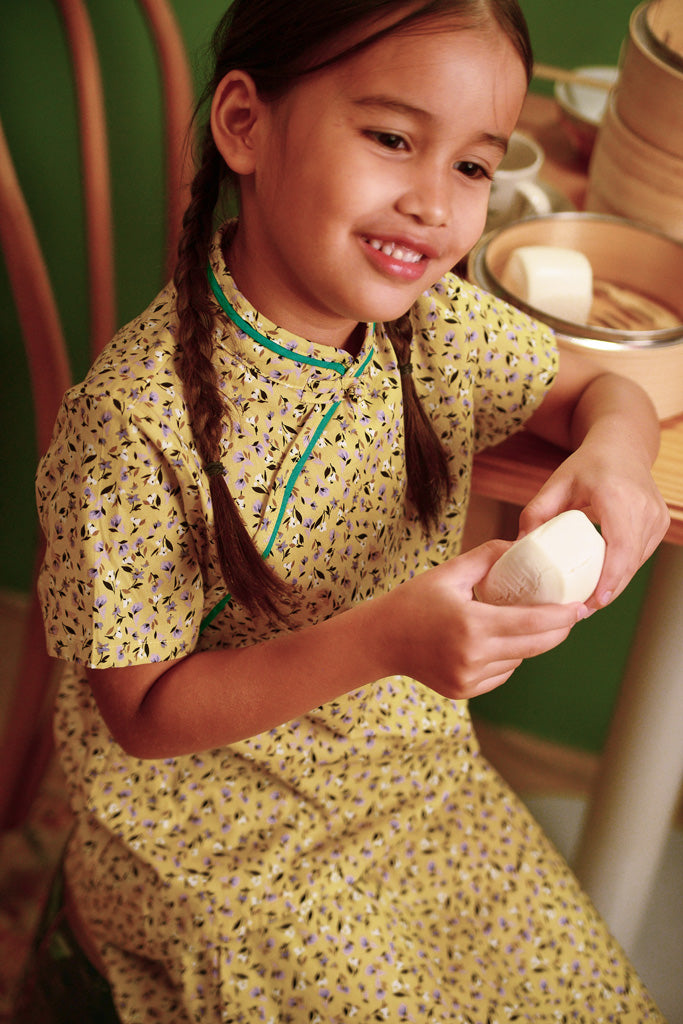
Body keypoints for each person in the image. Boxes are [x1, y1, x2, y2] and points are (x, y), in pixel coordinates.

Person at [22, 0, 670, 1021]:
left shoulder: (434, 324)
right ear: (245, 124)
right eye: (392, 139)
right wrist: (384, 640)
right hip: (200, 840)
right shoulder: (130, 426)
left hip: (408, 782)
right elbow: (141, 717)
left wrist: (618, 455)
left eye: (469, 167)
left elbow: (603, 391)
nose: (432, 203)